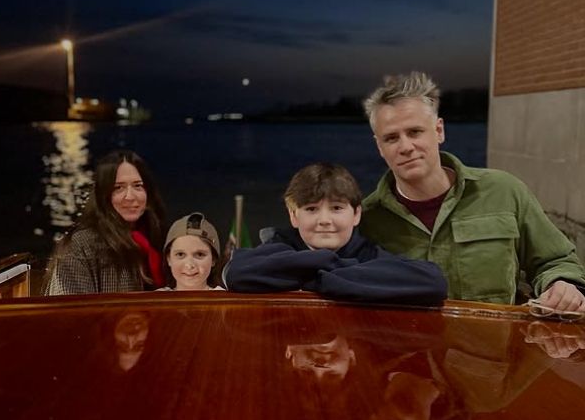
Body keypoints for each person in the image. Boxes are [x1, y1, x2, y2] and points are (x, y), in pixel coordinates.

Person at [361, 71, 585, 310]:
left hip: (494, 345)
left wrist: (562, 285)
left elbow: (556, 260)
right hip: (410, 346)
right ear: (379, 146)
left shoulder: (504, 192)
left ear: (439, 131)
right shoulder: (366, 220)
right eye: (392, 138)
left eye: (415, 132)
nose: (406, 147)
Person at [223, 162, 447, 305]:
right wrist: (340, 274)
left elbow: (434, 283)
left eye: (337, 208)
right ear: (293, 216)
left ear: (356, 214)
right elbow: (236, 274)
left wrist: (312, 275)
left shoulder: (368, 254)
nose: (324, 220)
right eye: (311, 209)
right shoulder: (281, 245)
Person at [44, 150, 166, 294]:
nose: (130, 196)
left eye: (138, 185)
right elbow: (70, 311)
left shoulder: (158, 238)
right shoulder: (80, 245)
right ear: (103, 195)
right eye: (118, 188)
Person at [161, 212, 224, 290]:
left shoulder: (228, 300)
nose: (189, 265)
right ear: (169, 259)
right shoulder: (153, 299)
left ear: (213, 259)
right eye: (180, 254)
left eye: (200, 254)